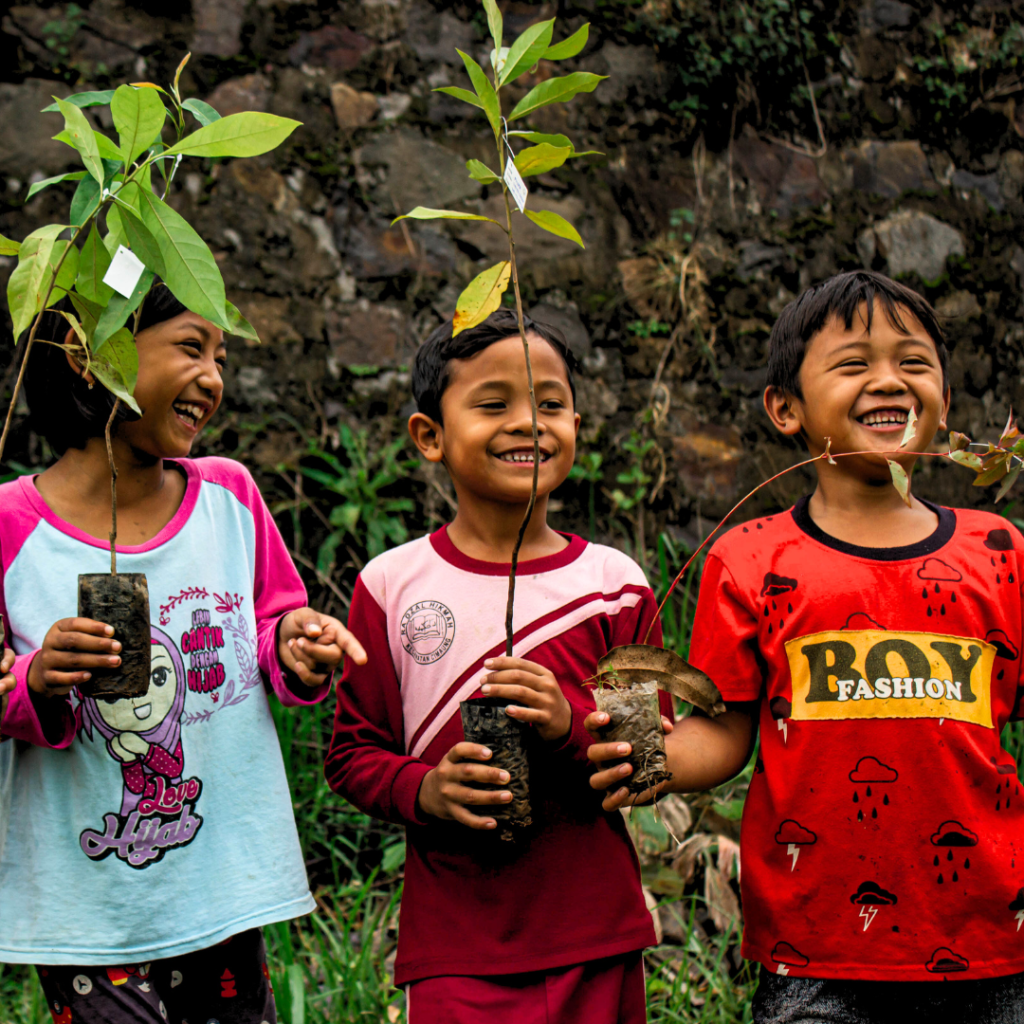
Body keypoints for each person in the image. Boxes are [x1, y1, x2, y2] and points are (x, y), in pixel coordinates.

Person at [586, 269, 1024, 1022]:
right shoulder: (752, 558)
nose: (888, 381)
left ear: (945, 401)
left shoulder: (1000, 552)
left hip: (989, 936)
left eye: (913, 363)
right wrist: (650, 758)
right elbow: (726, 730)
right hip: (812, 945)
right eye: (854, 365)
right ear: (785, 409)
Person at [0, 284, 366, 1023]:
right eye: (191, 348)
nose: (213, 378)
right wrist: (38, 679)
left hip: (220, 886)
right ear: (87, 352)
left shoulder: (230, 498)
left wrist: (295, 647)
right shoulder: (8, 527)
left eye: (221, 357)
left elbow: (269, 629)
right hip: (85, 908)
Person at [325, 309, 670, 1024]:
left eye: (550, 404)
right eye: (494, 404)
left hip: (595, 934)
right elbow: (353, 753)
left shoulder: (614, 584)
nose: (528, 423)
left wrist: (567, 722)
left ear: (577, 422)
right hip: (457, 946)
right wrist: (426, 790)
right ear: (430, 436)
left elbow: (650, 754)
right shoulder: (392, 586)